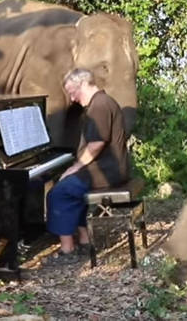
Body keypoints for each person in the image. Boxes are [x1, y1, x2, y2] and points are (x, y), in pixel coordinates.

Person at [45, 68, 130, 265]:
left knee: (59, 192)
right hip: (109, 169)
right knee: (72, 188)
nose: (72, 99)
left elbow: (96, 144)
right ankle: (84, 241)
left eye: (72, 92)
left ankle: (68, 250)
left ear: (83, 84)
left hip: (108, 171)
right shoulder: (102, 102)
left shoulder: (99, 106)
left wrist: (75, 167)